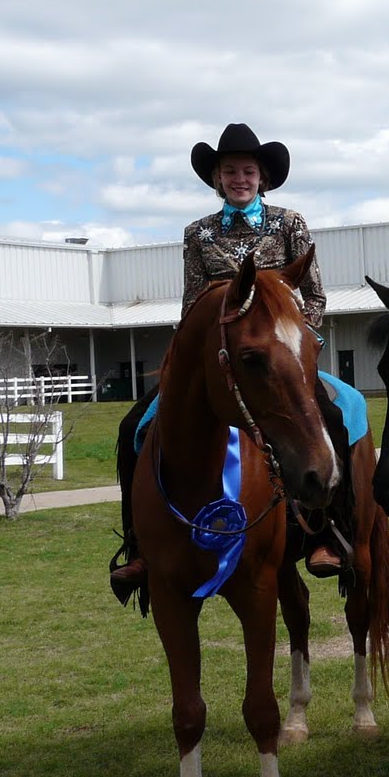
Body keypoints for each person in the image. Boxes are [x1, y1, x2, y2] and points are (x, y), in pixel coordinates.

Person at [109, 123, 346, 604]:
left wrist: (293, 346)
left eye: (248, 171)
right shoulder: (197, 233)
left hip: (277, 355)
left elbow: (315, 296)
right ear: (217, 179)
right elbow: (193, 301)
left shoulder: (289, 224)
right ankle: (138, 545)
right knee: (134, 426)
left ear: (263, 178)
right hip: (219, 357)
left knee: (336, 417)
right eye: (230, 171)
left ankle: (329, 532)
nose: (240, 178)